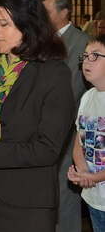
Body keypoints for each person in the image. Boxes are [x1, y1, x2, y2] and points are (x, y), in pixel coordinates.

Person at [0, 0, 75, 232]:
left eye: (3, 24)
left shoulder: (53, 74)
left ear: (27, 24)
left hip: (27, 205)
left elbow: (47, 149)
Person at [40, 0, 89, 232]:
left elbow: (74, 89)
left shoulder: (82, 44)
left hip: (69, 133)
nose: (42, 18)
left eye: (46, 12)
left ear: (65, 12)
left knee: (64, 197)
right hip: (42, 132)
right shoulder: (41, 42)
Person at [68, 34, 105, 232]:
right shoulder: (87, 97)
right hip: (93, 198)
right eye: (85, 56)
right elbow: (78, 139)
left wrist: (94, 177)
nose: (87, 62)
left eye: (96, 56)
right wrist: (82, 170)